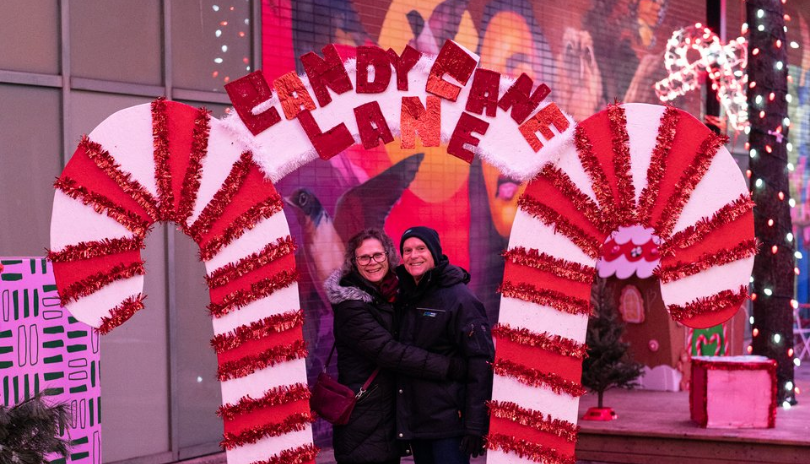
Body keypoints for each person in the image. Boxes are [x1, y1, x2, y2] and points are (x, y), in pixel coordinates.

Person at [325, 228, 467, 464]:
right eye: (364, 257)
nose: (373, 263)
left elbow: (431, 276)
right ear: (354, 262)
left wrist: (452, 276)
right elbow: (390, 352)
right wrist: (449, 367)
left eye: (378, 255)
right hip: (364, 419)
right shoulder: (351, 306)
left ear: (389, 256)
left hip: (386, 418)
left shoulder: (390, 292)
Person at [394, 226, 495, 464]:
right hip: (420, 423)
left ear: (435, 252)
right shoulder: (406, 295)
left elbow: (481, 363)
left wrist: (475, 424)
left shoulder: (459, 298)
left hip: (450, 426)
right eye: (407, 250)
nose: (413, 255)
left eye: (421, 248)